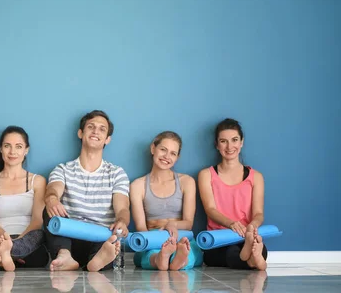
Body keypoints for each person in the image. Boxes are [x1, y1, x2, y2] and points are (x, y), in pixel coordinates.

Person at [43, 110, 130, 272]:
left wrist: (122, 221)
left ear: (108, 139)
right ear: (81, 133)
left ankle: (98, 262)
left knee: (113, 239)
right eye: (91, 127)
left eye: (102, 129)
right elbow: (53, 189)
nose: (96, 131)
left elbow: (123, 208)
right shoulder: (62, 169)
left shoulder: (117, 173)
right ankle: (64, 256)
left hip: (101, 238)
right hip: (70, 240)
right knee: (47, 209)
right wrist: (52, 198)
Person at [198, 118, 268, 270]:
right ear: (217, 145)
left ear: (241, 142)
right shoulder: (206, 175)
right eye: (223, 141)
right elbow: (210, 209)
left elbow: (258, 213)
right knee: (231, 252)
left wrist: (252, 227)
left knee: (260, 248)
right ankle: (254, 261)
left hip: (245, 235)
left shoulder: (256, 177)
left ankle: (252, 254)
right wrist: (231, 223)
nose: (229, 146)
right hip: (218, 238)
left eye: (234, 140)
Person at [130, 131, 203, 270]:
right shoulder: (137, 185)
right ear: (153, 149)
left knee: (190, 249)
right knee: (148, 254)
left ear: (177, 157)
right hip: (152, 238)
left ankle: (177, 259)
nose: (167, 157)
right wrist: (153, 241)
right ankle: (161, 258)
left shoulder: (186, 182)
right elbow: (141, 227)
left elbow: (188, 223)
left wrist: (172, 225)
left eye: (173, 153)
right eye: (163, 150)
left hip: (180, 236)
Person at [0, 126, 49, 271]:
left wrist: (16, 243)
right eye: (7, 146)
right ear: (0, 149)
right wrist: (7, 240)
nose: (12, 152)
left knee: (40, 243)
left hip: (29, 238)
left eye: (18, 146)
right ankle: (3, 254)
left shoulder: (38, 181)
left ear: (26, 150)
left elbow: (37, 221)